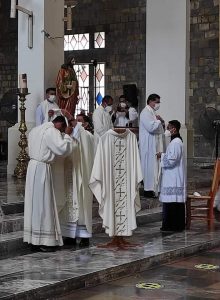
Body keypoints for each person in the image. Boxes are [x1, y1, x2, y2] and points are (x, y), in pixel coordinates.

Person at [23, 116, 73, 251]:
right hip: (42, 169)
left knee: (34, 205)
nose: (62, 132)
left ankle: (33, 239)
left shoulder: (35, 130)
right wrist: (67, 136)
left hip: (32, 167)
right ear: (60, 124)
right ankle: (45, 242)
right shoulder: (52, 131)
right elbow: (63, 150)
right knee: (44, 204)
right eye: (62, 129)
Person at [89, 128, 143, 248]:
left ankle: (120, 238)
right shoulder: (106, 138)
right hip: (111, 182)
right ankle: (116, 239)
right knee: (114, 203)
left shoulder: (131, 137)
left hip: (124, 182)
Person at [59, 118, 95, 248]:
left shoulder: (88, 136)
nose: (74, 122)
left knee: (82, 205)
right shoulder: (65, 136)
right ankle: (69, 234)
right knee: (68, 205)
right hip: (68, 176)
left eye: (79, 121)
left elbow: (87, 144)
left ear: (85, 124)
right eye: (74, 120)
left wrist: (77, 128)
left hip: (82, 176)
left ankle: (84, 235)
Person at [157, 120, 186, 232]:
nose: (167, 130)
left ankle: (172, 226)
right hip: (172, 176)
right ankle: (173, 225)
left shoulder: (176, 142)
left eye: (169, 128)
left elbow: (173, 160)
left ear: (174, 129)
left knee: (172, 202)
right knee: (172, 202)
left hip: (174, 177)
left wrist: (161, 155)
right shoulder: (175, 141)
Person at [139, 93, 165, 198]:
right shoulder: (145, 112)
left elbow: (159, 128)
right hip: (148, 145)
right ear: (150, 101)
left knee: (153, 167)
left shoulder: (152, 112)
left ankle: (154, 189)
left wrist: (160, 121)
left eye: (159, 102)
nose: (158, 104)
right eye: (156, 102)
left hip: (153, 144)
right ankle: (148, 190)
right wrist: (158, 121)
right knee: (149, 167)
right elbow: (151, 127)